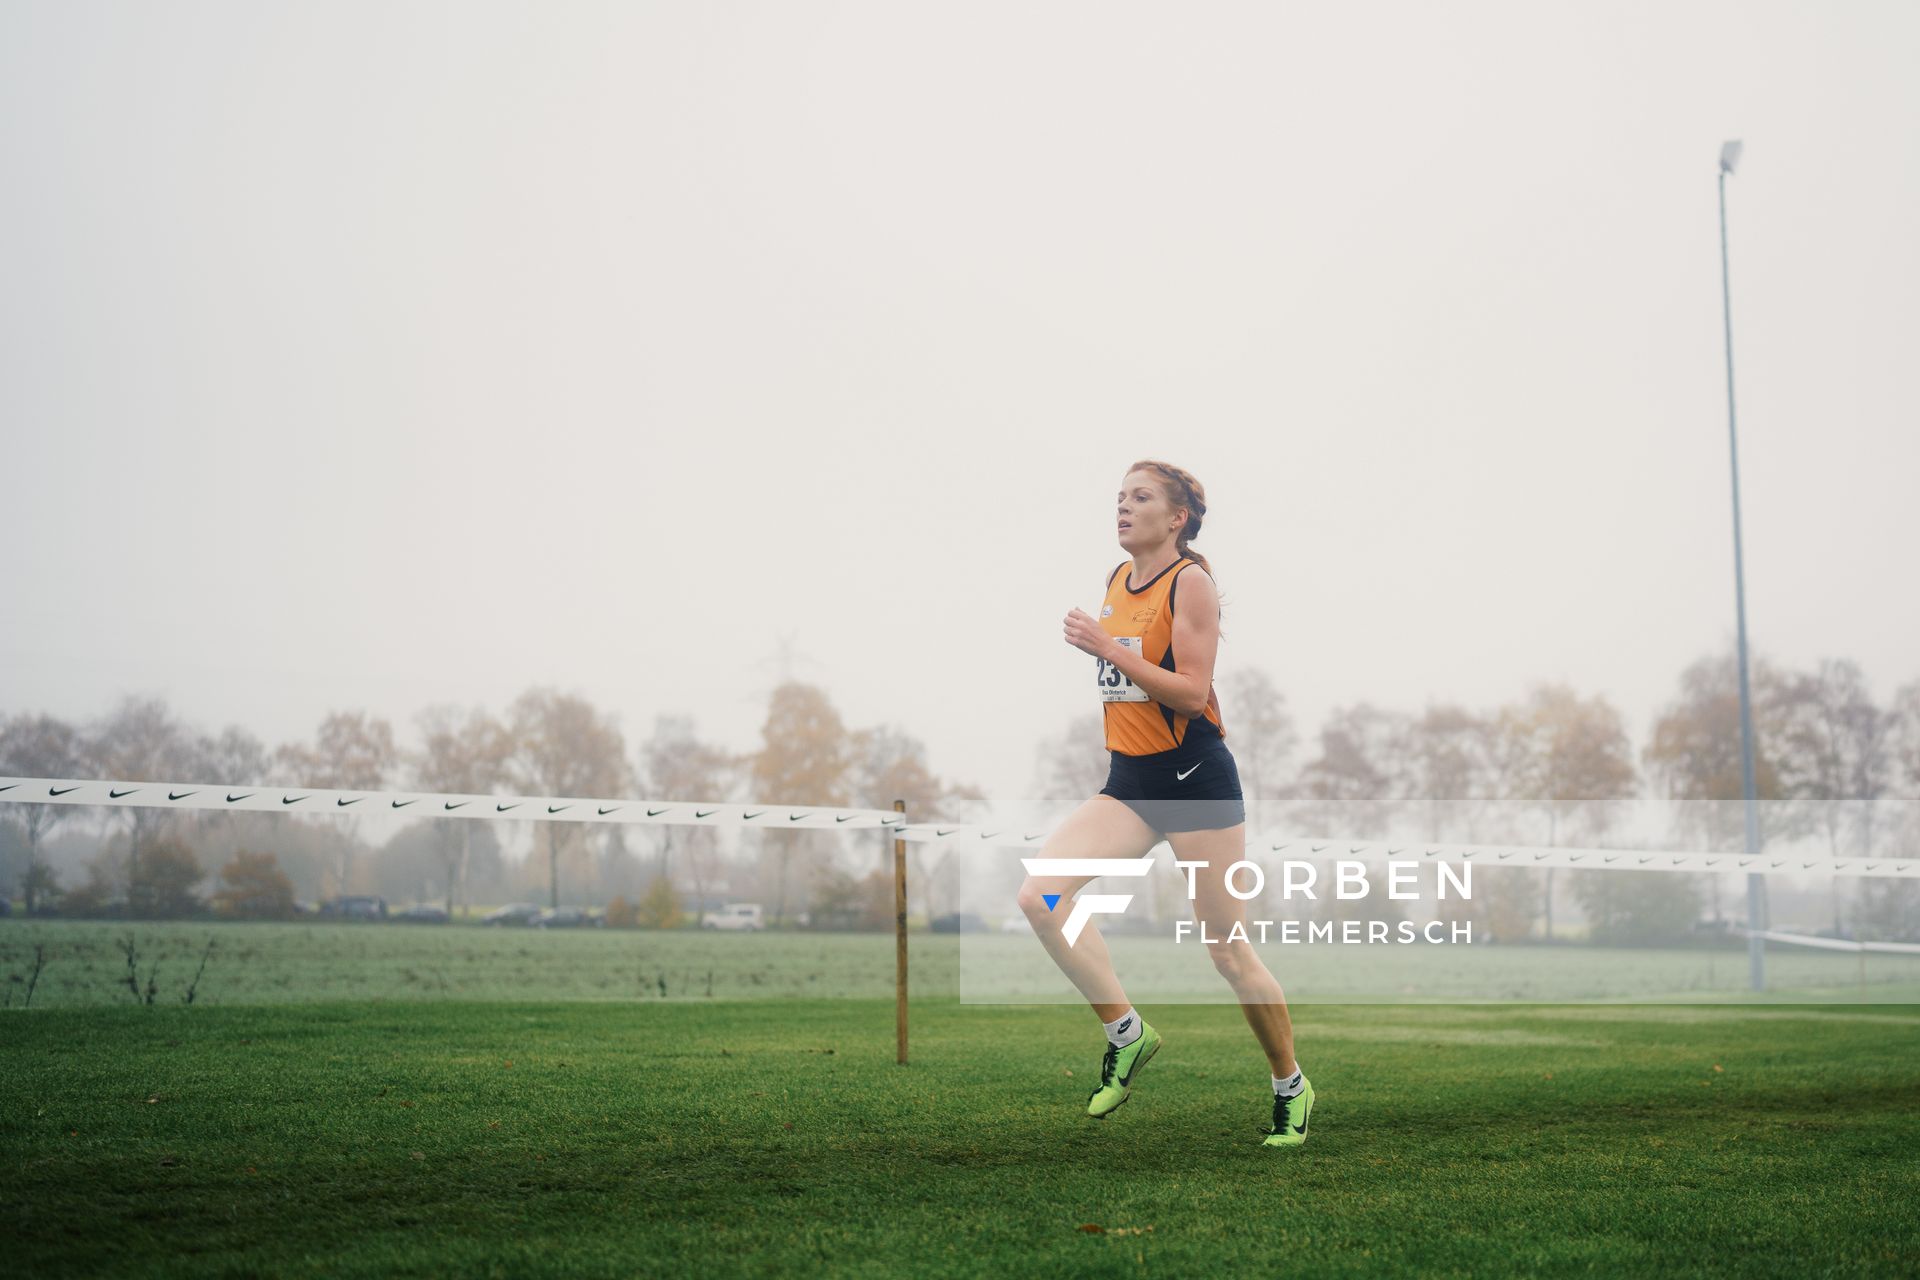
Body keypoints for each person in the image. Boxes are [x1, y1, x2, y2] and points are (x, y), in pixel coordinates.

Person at [1016, 459, 1312, 1148]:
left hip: (1195, 783)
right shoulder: (1119, 580)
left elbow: (1189, 691)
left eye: (1140, 498)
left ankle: (1290, 1087)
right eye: (1119, 497)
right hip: (1131, 781)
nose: (1122, 507)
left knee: (1229, 953)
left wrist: (1100, 646)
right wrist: (1105, 646)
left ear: (1175, 518)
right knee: (1041, 897)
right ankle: (1126, 1032)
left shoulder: (1192, 584)